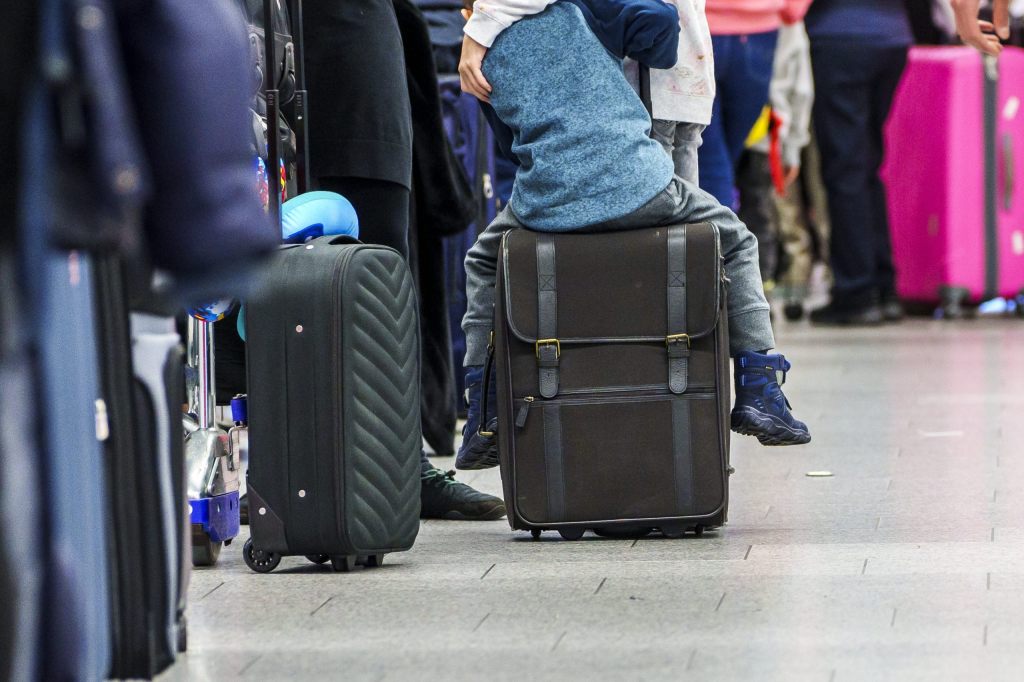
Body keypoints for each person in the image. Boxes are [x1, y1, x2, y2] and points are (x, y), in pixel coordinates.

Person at [456, 0, 812, 473]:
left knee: (483, 259)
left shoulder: (479, 63)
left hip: (546, 201)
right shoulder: (583, 10)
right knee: (735, 239)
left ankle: (484, 406)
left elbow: (510, 148)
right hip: (641, 185)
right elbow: (658, 32)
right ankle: (758, 386)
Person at [303, 0, 505, 520]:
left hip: (358, 64)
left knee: (379, 275)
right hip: (303, 56)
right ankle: (308, 465)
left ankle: (399, 465)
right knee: (338, 274)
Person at [804, 0, 912, 325]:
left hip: (838, 35)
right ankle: (884, 287)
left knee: (845, 167)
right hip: (893, 34)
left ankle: (856, 292)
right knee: (867, 164)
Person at [698, 0, 811, 209]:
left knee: (710, 166)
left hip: (695, 27)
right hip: (758, 31)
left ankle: (723, 235)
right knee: (717, 166)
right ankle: (725, 233)